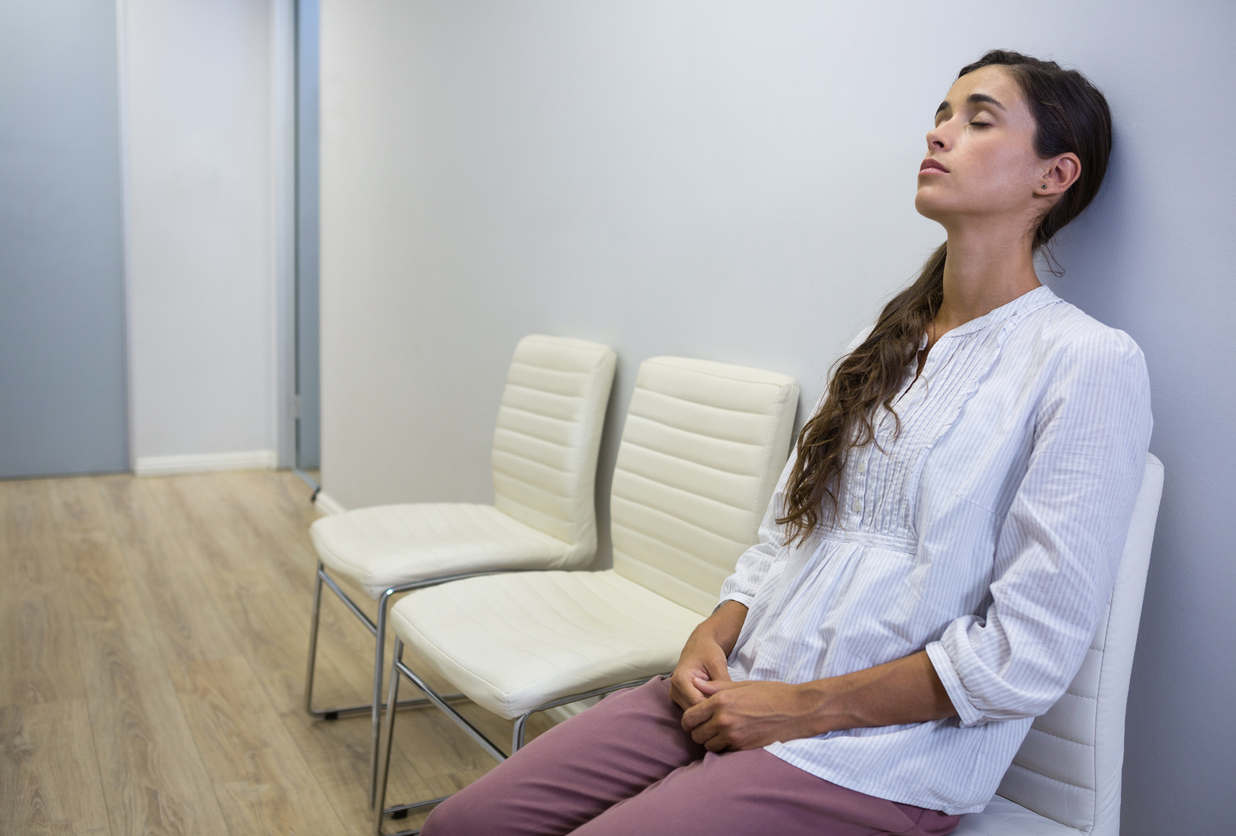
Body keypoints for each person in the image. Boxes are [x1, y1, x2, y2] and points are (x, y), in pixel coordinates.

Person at [420, 49, 1152, 836]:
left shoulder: (1088, 362)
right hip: (743, 684)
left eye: (977, 120)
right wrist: (716, 626)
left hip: (883, 754)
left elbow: (1026, 653)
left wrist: (798, 710)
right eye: (941, 115)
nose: (939, 134)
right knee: (463, 822)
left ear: (1055, 176)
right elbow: (789, 531)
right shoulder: (882, 340)